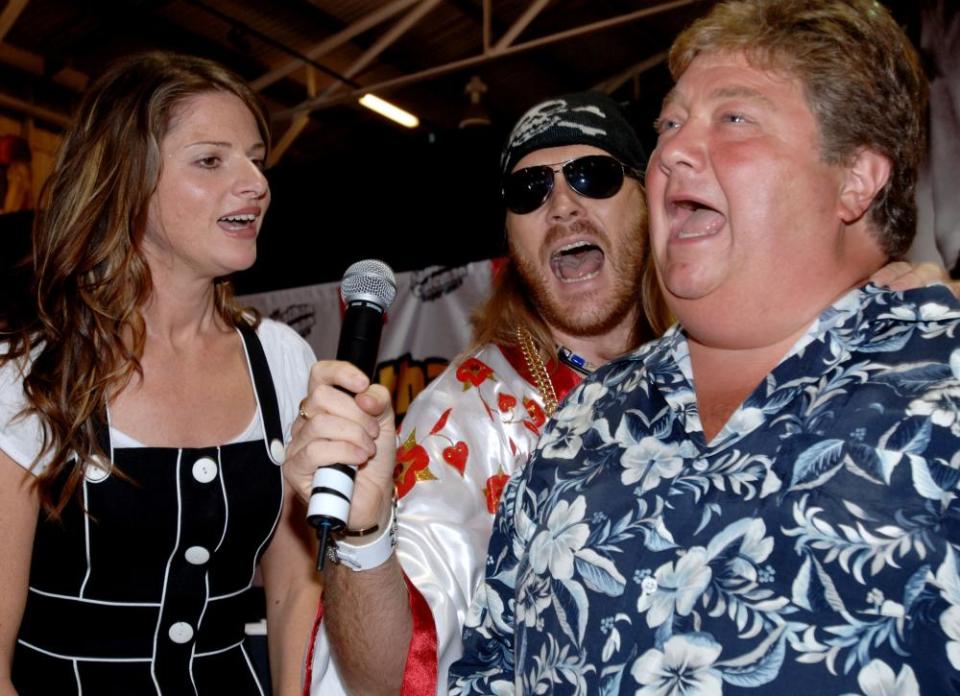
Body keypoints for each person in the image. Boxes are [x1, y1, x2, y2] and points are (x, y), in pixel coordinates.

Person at [285, 90, 955, 694]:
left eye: (593, 176)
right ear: (511, 235)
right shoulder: (467, 417)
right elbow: (389, 675)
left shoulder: (741, 354)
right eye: (529, 190)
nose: (562, 204)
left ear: (655, 198)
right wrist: (366, 536)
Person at [448, 0, 960, 693]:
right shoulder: (579, 425)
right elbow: (488, 673)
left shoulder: (941, 393)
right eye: (668, 124)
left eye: (734, 118)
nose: (669, 153)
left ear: (856, 177)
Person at [0, 52, 321, 695]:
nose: (256, 181)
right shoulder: (29, 372)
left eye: (256, 157)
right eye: (211, 159)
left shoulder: (282, 358)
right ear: (127, 180)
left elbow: (294, 586)